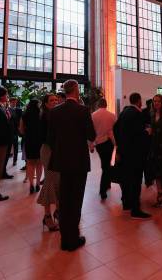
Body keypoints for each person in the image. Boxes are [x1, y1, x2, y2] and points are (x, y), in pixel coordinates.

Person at [48, 80, 96, 251]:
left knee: (65, 199)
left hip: (62, 161)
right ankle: (72, 239)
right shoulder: (83, 111)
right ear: (75, 90)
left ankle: (64, 238)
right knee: (76, 200)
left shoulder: (55, 111)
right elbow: (91, 134)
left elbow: (50, 138)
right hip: (79, 161)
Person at [114, 92, 152, 219]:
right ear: (139, 101)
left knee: (126, 178)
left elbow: (115, 129)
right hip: (135, 154)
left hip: (125, 152)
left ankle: (127, 204)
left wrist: (120, 145)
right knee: (136, 181)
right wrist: (147, 132)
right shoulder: (137, 114)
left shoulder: (124, 112)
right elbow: (138, 134)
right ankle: (136, 209)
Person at [37, 94, 60, 231]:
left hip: (55, 150)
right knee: (50, 182)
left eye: (56, 100)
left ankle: (57, 211)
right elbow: (46, 137)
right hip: (48, 150)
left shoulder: (54, 115)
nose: (55, 102)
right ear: (45, 104)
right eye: (52, 100)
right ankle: (47, 216)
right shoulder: (45, 116)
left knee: (57, 182)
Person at [91, 98, 116, 200]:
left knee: (105, 165)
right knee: (107, 165)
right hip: (109, 142)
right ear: (106, 105)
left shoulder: (93, 115)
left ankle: (106, 183)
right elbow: (115, 129)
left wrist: (91, 146)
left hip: (99, 143)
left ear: (98, 105)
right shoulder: (112, 115)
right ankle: (103, 189)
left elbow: (91, 131)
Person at [20, 99, 44, 194]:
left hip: (29, 140)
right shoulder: (41, 114)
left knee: (30, 163)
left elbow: (21, 130)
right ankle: (38, 183)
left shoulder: (24, 115)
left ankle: (31, 184)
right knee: (39, 163)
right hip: (40, 140)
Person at [8, 97, 22, 168]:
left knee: (16, 145)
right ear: (10, 102)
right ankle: (7, 159)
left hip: (16, 130)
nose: (14, 103)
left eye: (15, 102)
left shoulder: (19, 110)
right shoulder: (7, 110)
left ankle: (15, 160)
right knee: (9, 145)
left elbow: (21, 120)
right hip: (9, 131)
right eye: (13, 102)